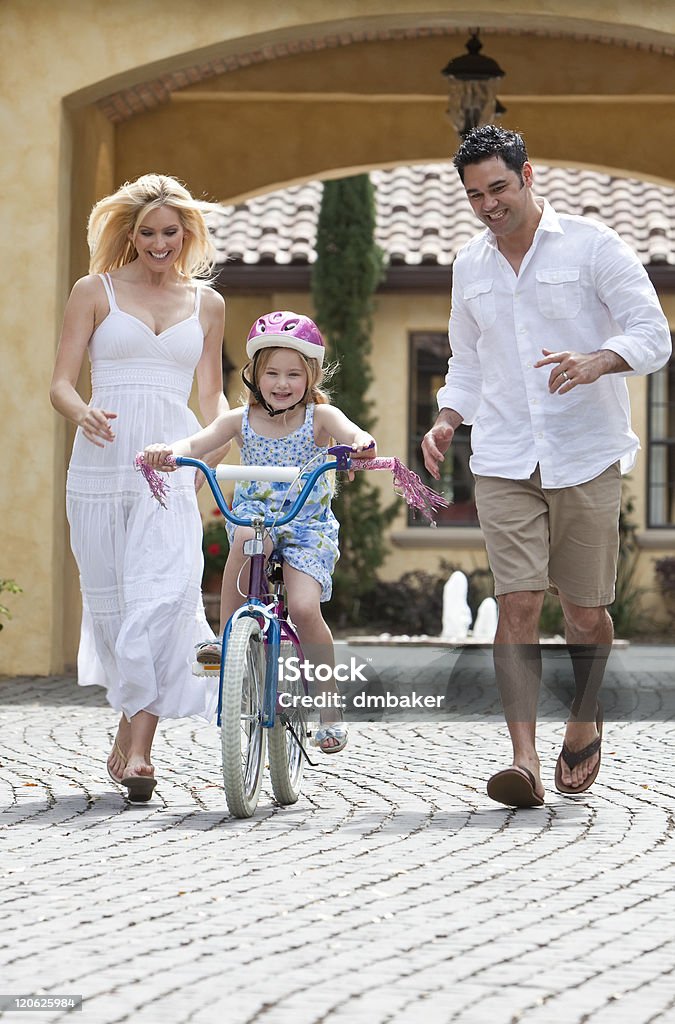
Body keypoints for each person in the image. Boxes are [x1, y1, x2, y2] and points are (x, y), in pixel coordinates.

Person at [422, 126, 671, 807]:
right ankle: (523, 760)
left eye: (498, 188)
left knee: (585, 614)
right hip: (501, 455)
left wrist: (598, 359)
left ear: (527, 177)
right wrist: (447, 418)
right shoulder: (468, 265)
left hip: (584, 453)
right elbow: (466, 360)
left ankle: (584, 714)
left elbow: (653, 335)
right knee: (518, 603)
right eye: (474, 195)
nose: (488, 205)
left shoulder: (592, 247)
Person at [50, 173, 230, 801]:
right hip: (101, 465)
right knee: (118, 609)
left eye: (170, 233)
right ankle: (127, 727)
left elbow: (210, 393)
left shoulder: (208, 304)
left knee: (166, 595)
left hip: (169, 466)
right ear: (131, 234)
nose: (159, 243)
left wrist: (225, 439)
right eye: (147, 232)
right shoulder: (93, 290)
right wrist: (83, 413)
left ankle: (141, 752)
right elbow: (61, 383)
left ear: (187, 235)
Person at [142, 310, 377, 754]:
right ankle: (226, 638)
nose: (282, 383)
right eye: (272, 373)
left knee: (306, 609)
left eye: (293, 373)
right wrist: (169, 452)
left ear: (310, 375)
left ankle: (328, 709)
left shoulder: (321, 417)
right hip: (258, 518)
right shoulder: (240, 419)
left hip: (306, 527)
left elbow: (352, 433)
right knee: (251, 537)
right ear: (254, 374)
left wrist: (361, 445)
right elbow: (199, 441)